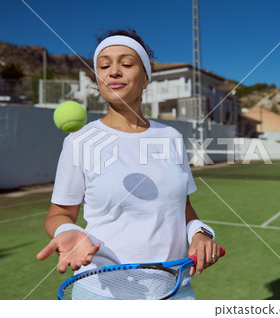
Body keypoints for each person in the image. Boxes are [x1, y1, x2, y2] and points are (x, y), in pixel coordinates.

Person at [37, 29, 223, 299]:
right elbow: (59, 214)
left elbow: (183, 208)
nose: (114, 71)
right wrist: (68, 230)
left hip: (175, 291)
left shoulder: (171, 138)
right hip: (103, 294)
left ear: (146, 77)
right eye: (104, 65)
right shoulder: (80, 141)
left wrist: (200, 233)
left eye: (126, 64)